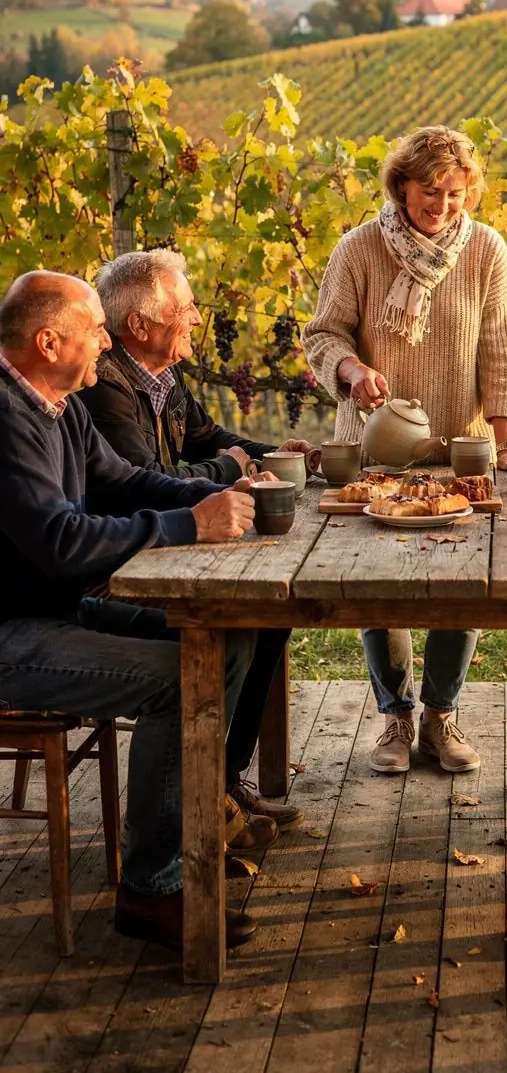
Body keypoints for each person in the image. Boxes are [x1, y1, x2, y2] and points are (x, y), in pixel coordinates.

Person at [0, 270, 276, 952]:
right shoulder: (7, 420)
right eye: (95, 330)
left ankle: (196, 817)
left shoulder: (56, 406)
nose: (105, 341)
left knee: (224, 638)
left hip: (60, 609)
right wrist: (191, 526)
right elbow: (61, 542)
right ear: (46, 341)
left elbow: (123, 483)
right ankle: (152, 890)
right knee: (178, 676)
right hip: (16, 633)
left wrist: (214, 495)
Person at [302, 125, 507, 775]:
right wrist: (349, 371)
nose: (443, 206)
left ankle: (440, 717)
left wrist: (506, 441)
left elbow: (502, 347)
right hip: (375, 453)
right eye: (431, 192)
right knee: (379, 588)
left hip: (459, 454)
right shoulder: (360, 248)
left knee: (463, 590)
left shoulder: (486, 250)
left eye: (456, 194)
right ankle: (395, 719)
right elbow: (323, 335)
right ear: (401, 185)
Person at [78, 248, 315, 827]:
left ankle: (223, 780)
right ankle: (204, 803)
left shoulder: (162, 375)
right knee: (243, 618)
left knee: (271, 613)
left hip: (158, 546)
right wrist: (229, 471)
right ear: (140, 325)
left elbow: (209, 439)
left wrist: (274, 453)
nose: (194, 319)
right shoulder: (104, 390)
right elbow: (140, 485)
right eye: (184, 308)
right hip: (122, 561)